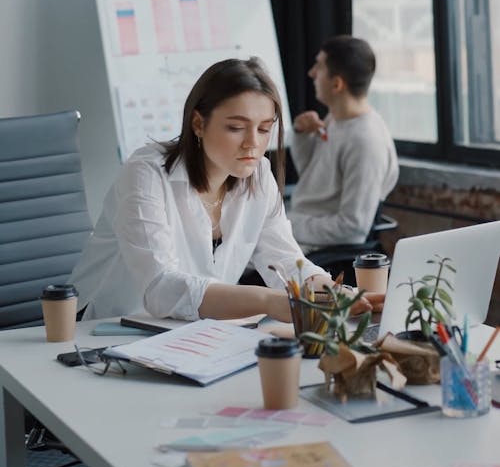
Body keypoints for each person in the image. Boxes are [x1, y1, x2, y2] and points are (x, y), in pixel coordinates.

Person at [71, 57, 383, 321]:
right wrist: (269, 302)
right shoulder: (146, 173)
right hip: (105, 331)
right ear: (198, 124)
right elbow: (161, 288)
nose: (253, 143)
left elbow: (286, 261)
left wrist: (331, 290)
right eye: (236, 128)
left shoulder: (259, 173)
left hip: (187, 336)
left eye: (264, 129)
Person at [288, 36, 399, 251]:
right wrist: (301, 135)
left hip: (314, 249)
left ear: (337, 84)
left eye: (318, 67)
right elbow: (312, 179)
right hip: (300, 231)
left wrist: (286, 225)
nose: (311, 73)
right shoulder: (336, 119)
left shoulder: (365, 141)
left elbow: (352, 229)